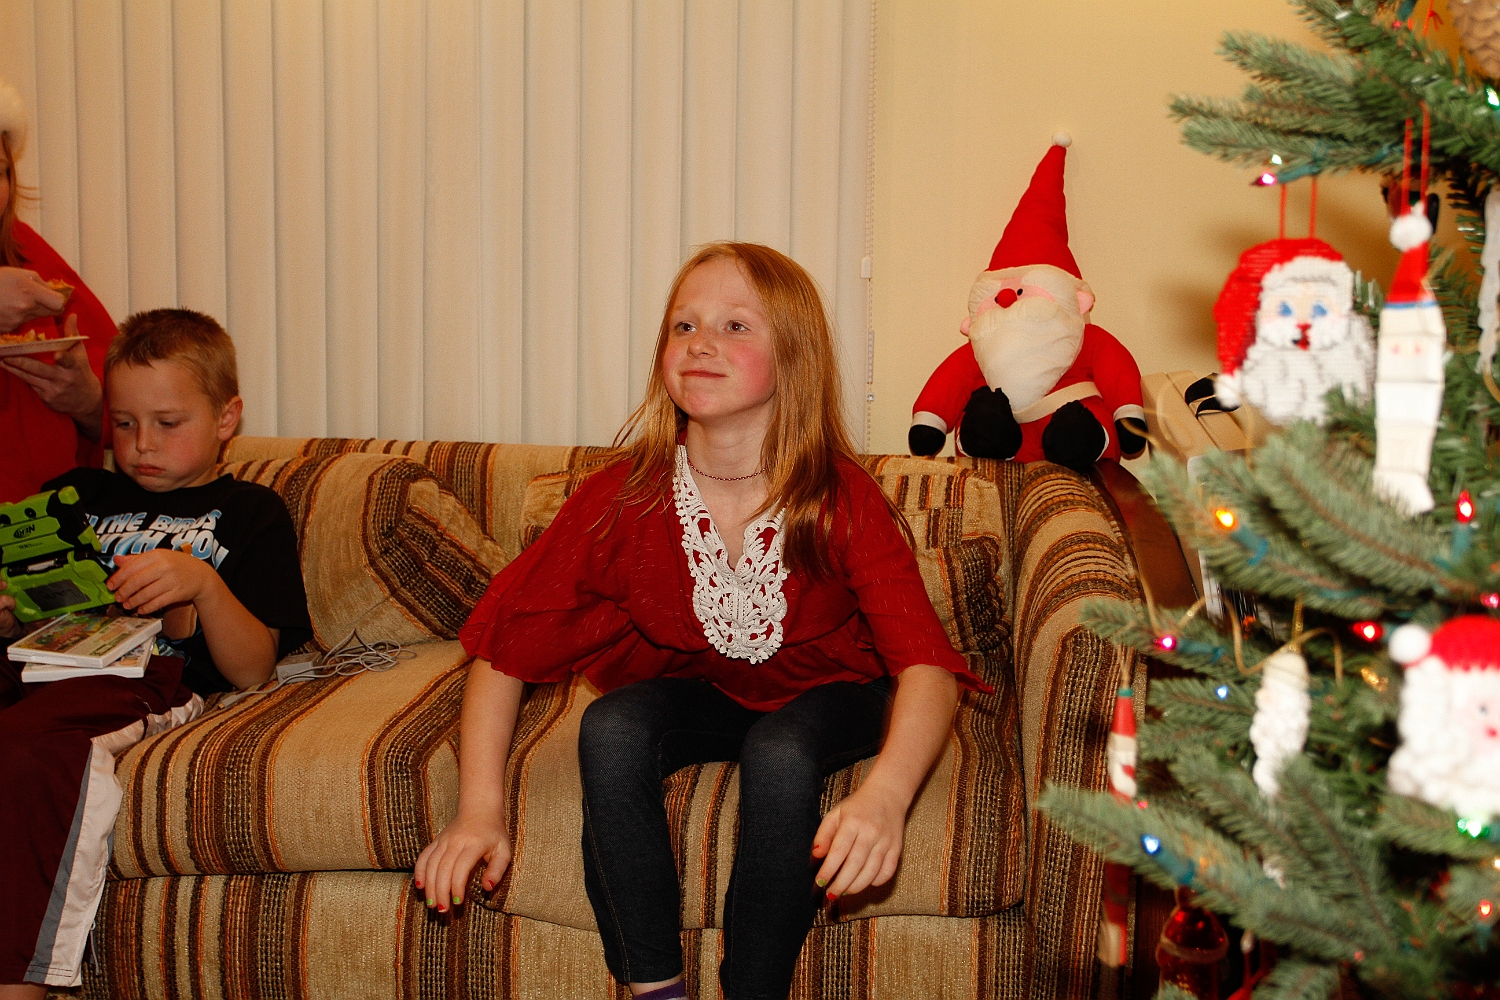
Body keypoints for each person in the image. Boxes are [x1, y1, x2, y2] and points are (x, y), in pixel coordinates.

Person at [415, 243, 984, 1000]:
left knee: (780, 752)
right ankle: (657, 989)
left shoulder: (839, 496)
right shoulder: (625, 498)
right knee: (611, 726)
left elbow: (928, 669)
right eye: (683, 326)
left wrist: (886, 797)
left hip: (838, 690)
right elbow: (504, 649)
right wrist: (478, 813)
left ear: (794, 356)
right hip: (710, 691)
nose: (701, 342)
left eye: (735, 326)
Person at [0, 309, 313, 998]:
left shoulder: (250, 512)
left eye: (168, 423)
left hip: (145, 677)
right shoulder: (75, 495)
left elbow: (252, 668)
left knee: (26, 751)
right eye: (122, 423)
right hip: (36, 661)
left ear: (227, 417)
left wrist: (203, 584)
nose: (142, 444)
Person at [0, 78, 114, 502]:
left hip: (54, 518)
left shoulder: (25, 250)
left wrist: (89, 403)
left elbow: (125, 392)